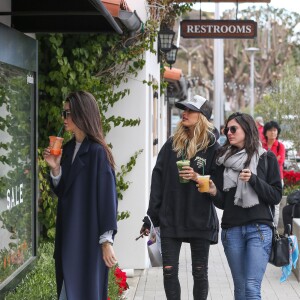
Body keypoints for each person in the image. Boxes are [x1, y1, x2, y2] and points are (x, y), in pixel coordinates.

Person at [140, 95, 220, 300]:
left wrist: (197, 177)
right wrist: (151, 216)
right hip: (172, 217)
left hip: (200, 218)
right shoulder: (171, 145)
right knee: (168, 271)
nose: (184, 113)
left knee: (200, 272)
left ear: (202, 116)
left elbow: (217, 185)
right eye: (183, 109)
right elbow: (157, 180)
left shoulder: (213, 147)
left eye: (190, 110)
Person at [43, 91, 118, 300]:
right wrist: (55, 169)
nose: (63, 118)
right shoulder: (67, 150)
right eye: (63, 113)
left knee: (84, 292)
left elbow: (107, 198)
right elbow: (63, 191)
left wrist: (106, 241)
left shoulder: (97, 152)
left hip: (88, 238)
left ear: (82, 114)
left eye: (68, 113)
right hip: (68, 235)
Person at [203, 112, 282, 300]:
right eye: (226, 129)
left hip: (259, 229)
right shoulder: (223, 160)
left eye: (233, 129)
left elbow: (276, 195)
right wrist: (214, 191)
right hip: (232, 230)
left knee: (251, 287)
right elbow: (223, 202)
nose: (228, 133)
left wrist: (254, 180)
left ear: (247, 130)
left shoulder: (266, 158)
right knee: (239, 287)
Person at [263, 120, 286, 226]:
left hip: (277, 179)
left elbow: (279, 162)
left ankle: (274, 229)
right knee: (263, 204)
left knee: (275, 205)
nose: (273, 132)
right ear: (266, 132)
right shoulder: (261, 145)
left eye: (275, 130)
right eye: (270, 130)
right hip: (263, 179)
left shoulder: (280, 146)